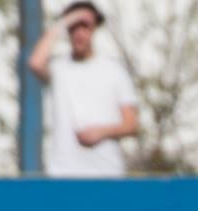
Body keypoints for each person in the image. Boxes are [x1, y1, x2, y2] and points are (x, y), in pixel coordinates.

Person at [29, 2, 139, 178]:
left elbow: (132, 124)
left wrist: (101, 132)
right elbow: (35, 62)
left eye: (85, 26)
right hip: (62, 173)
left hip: (107, 172)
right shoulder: (59, 68)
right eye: (74, 27)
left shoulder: (114, 70)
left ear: (95, 28)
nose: (80, 33)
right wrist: (65, 20)